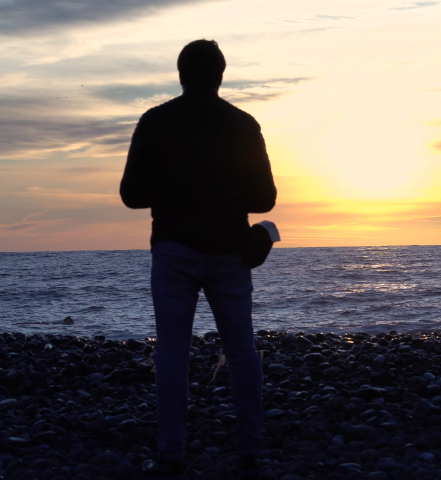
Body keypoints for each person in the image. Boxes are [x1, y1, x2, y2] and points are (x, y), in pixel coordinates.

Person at [120, 39, 276, 478]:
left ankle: (171, 453)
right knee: (241, 349)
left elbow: (131, 195)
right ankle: (250, 450)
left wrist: (171, 191)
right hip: (230, 251)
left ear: (181, 74)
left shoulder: (155, 121)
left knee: (172, 352)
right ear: (221, 75)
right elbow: (265, 199)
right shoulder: (243, 125)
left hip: (173, 249)